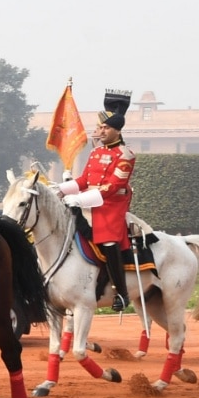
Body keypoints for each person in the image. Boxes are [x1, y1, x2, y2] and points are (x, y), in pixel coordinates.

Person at [56, 89, 136, 312]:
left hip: (110, 206)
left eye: (105, 128)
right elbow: (83, 179)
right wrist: (60, 190)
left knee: (109, 242)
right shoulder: (95, 152)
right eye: (100, 127)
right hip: (89, 202)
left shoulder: (125, 155)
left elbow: (113, 187)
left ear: (116, 131)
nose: (100, 131)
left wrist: (79, 200)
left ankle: (121, 292)